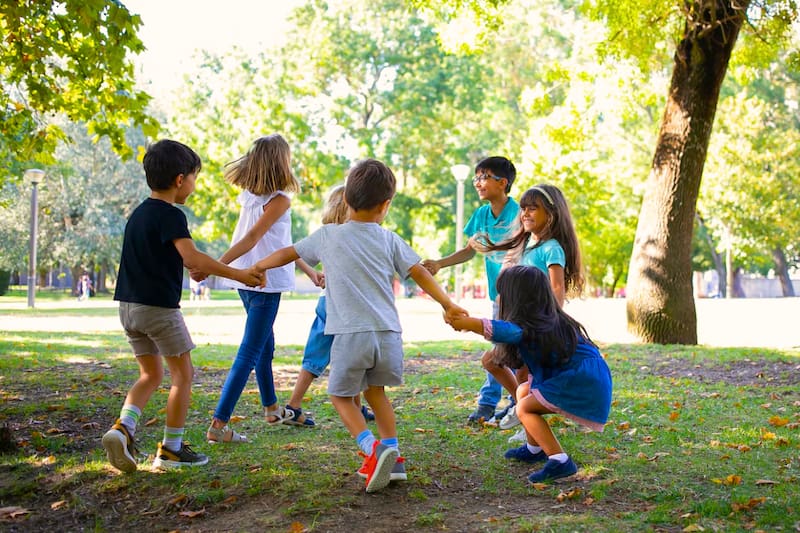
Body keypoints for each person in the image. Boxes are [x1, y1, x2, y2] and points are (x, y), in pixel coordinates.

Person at [253, 158, 467, 492]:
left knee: (339, 395)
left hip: (351, 335)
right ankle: (394, 459)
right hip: (388, 335)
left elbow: (288, 252)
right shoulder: (389, 238)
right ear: (386, 205)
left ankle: (372, 448)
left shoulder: (328, 236)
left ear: (346, 201)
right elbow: (420, 272)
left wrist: (260, 266)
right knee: (376, 394)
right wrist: (448, 303)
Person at [101, 139, 263, 473]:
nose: (193, 185)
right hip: (159, 310)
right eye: (193, 178)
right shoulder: (171, 215)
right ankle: (171, 449)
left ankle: (124, 428)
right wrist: (240, 274)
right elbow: (191, 258)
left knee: (150, 374)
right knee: (182, 376)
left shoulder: (138, 215)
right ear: (179, 180)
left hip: (128, 309)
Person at [195, 134, 322, 445]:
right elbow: (252, 239)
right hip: (263, 282)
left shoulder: (250, 197)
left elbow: (281, 244)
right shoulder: (279, 200)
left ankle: (271, 408)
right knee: (251, 351)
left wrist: (308, 269)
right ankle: (218, 424)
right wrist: (212, 265)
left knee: (265, 346)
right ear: (282, 162)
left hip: (246, 280)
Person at [447, 265, 612, 483]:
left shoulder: (531, 326)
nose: (498, 299)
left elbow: (505, 330)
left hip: (580, 381)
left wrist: (468, 323)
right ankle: (535, 449)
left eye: (502, 294)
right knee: (523, 391)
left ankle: (560, 461)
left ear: (517, 299)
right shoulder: (546, 320)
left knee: (524, 407)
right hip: (583, 378)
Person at [474, 184, 584, 437]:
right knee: (492, 362)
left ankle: (528, 420)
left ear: (551, 215)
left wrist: (551, 321)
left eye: (533, 208)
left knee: (523, 372)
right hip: (518, 322)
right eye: (523, 208)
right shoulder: (525, 245)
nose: (525, 213)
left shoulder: (552, 248)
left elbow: (557, 289)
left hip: (537, 325)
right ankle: (520, 406)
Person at [422, 156, 519, 425]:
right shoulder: (481, 215)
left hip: (519, 297)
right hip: (497, 297)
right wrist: (439, 263)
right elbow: (469, 251)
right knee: (501, 349)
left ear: (502, 183)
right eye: (476, 177)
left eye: (483, 177)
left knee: (503, 350)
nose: (477, 183)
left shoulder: (520, 213)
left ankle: (493, 403)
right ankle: (511, 401)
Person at [283, 185, 374, 428]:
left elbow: (294, 251)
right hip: (345, 307)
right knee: (352, 355)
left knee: (316, 356)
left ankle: (294, 405)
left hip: (326, 302)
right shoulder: (353, 235)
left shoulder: (326, 234)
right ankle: (351, 406)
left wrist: (316, 273)